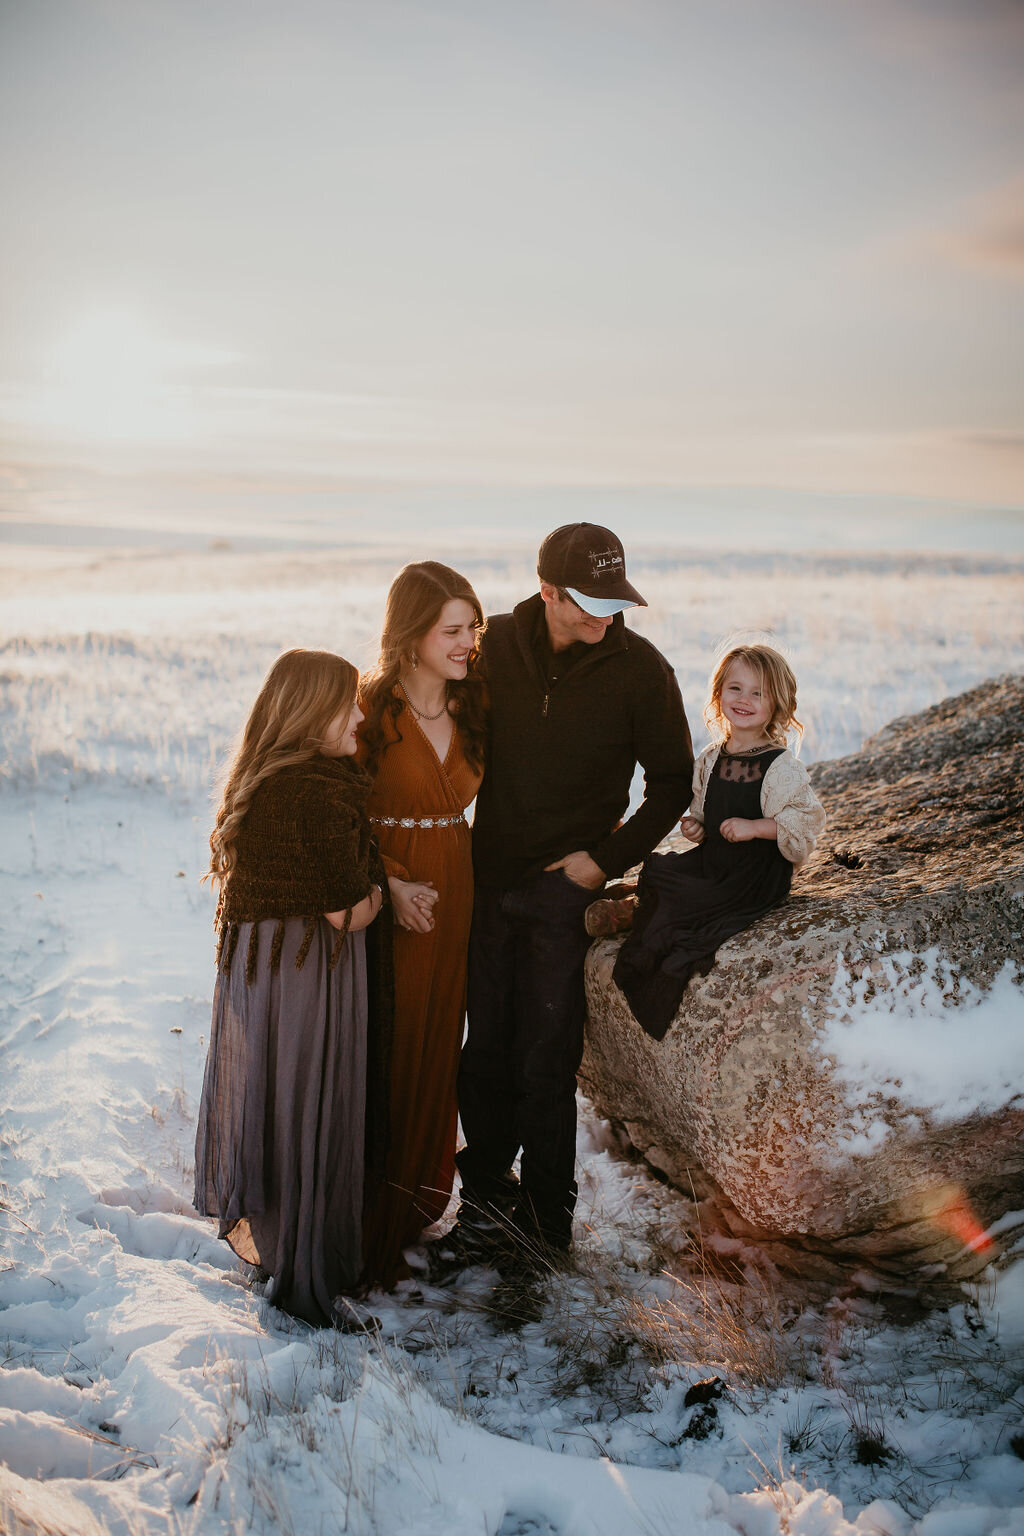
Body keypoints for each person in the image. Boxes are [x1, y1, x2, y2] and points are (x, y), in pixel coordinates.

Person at [450, 523, 693, 1270]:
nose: (603, 618)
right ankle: (485, 1209)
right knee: (484, 1054)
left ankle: (546, 1231)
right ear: (548, 591)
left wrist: (605, 859)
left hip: (566, 893)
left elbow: (673, 785)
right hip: (487, 881)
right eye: (587, 602)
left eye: (614, 602)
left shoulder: (640, 669)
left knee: (545, 1059)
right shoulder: (489, 646)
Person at [193, 649, 391, 1328]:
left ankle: (279, 1244)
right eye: (349, 704)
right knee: (313, 1104)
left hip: (263, 968)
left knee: (276, 1102)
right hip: (311, 969)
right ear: (313, 714)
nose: (361, 716)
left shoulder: (264, 777)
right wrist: (381, 890)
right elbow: (347, 910)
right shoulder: (325, 786)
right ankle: (308, 1265)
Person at [357, 562, 486, 1288]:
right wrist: (390, 883)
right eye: (453, 630)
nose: (469, 643)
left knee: (440, 1038)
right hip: (387, 891)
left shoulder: (477, 707)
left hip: (456, 889)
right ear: (412, 636)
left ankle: (411, 1205)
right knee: (387, 1042)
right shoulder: (369, 709)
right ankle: (361, 1210)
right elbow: (337, 810)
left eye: (474, 629)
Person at [599, 643, 826, 1040]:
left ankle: (630, 912)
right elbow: (707, 811)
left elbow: (806, 821)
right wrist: (697, 829)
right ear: (719, 692)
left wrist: (756, 828)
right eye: (735, 688)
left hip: (753, 873)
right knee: (663, 870)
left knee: (691, 909)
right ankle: (635, 903)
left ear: (779, 704)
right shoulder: (711, 758)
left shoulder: (780, 767)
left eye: (759, 693)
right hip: (715, 859)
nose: (744, 700)